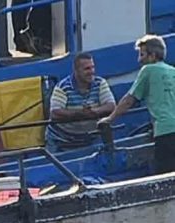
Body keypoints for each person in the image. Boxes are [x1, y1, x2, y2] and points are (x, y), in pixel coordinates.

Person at [98, 35, 175, 174]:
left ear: (152, 56)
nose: (139, 60)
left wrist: (110, 118)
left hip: (166, 132)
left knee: (166, 178)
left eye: (142, 54)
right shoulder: (172, 71)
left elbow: (129, 99)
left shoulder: (148, 70)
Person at [45, 53, 115, 151]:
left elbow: (111, 106)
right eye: (87, 69)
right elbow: (55, 113)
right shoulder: (62, 87)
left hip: (89, 139)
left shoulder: (100, 83)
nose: (92, 72)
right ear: (76, 71)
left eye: (92, 67)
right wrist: (80, 114)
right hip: (61, 142)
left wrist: (94, 112)